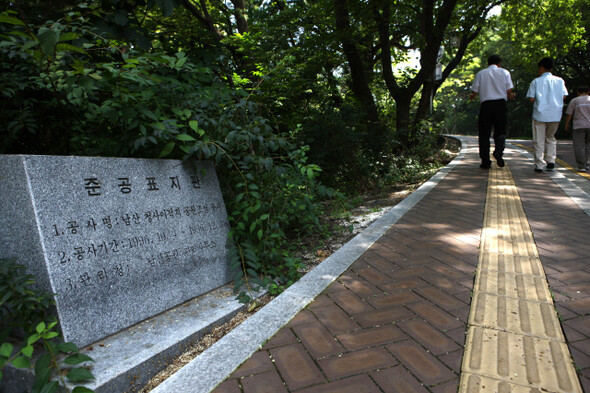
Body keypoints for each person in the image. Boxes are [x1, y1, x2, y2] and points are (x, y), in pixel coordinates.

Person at [470, 54, 515, 169]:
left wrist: (472, 97)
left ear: (488, 63)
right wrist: (511, 95)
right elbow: (509, 90)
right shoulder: (504, 72)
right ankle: (498, 152)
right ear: (499, 63)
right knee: (500, 131)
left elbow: (474, 92)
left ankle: (485, 161)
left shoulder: (481, 73)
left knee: (484, 133)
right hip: (500, 104)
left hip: (486, 105)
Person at [526, 57, 568, 172]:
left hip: (540, 114)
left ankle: (539, 164)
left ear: (541, 67)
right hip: (555, 114)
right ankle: (551, 161)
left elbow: (531, 99)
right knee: (551, 137)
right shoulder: (560, 80)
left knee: (539, 139)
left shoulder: (536, 81)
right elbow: (564, 95)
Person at [565, 85, 590, 172]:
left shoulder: (574, 101)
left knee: (579, 146)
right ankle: (586, 163)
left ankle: (581, 166)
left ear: (578, 92)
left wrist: (567, 124)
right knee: (588, 145)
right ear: (588, 92)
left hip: (579, 126)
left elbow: (569, 114)